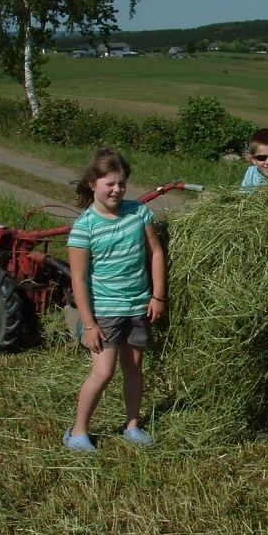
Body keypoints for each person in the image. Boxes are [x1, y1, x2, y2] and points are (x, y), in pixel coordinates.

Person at [62, 147, 166, 452]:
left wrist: (158, 296)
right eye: (110, 183)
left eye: (121, 183)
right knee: (104, 371)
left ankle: (131, 425)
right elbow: (78, 280)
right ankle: (78, 431)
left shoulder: (139, 213)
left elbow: (156, 253)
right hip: (105, 312)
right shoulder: (84, 228)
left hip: (137, 307)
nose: (117, 190)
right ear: (93, 183)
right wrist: (89, 324)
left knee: (134, 368)